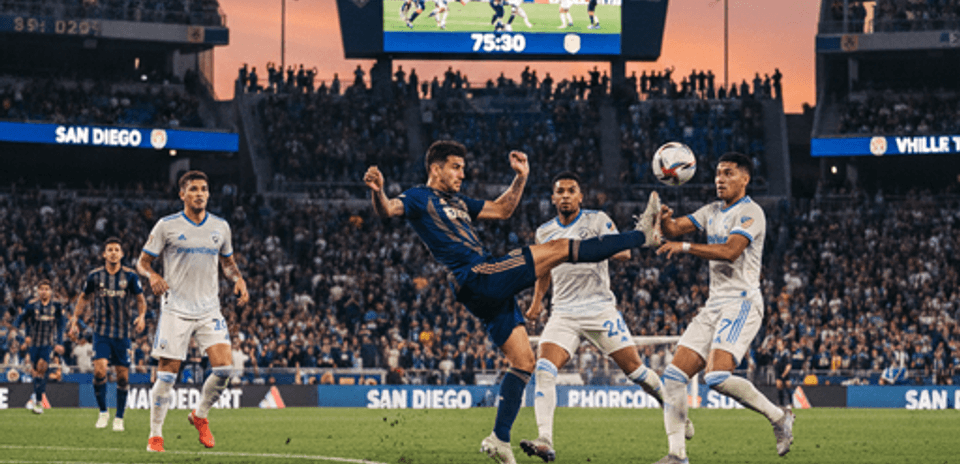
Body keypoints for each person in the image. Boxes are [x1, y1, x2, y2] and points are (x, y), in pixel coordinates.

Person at [364, 140, 662, 464]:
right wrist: (378, 192)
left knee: (524, 362)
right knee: (561, 247)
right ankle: (642, 235)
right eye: (456, 167)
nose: (462, 174)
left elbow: (502, 210)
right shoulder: (418, 197)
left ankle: (499, 439)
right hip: (478, 274)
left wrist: (520, 177)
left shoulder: (458, 201)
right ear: (436, 168)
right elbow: (388, 209)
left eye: (463, 168)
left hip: (481, 288)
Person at [519, 172, 692, 462]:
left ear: (580, 196)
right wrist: (537, 303)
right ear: (553, 198)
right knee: (544, 369)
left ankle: (673, 409)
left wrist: (588, 248)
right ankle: (545, 440)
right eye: (560, 191)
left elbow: (623, 253)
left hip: (599, 309)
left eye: (571, 190)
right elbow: (543, 270)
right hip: (563, 313)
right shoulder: (544, 232)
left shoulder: (597, 219)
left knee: (637, 372)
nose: (565, 196)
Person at [653, 152, 794, 464]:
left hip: (742, 302)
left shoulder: (751, 212)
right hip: (714, 304)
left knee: (715, 377)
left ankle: (778, 416)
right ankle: (677, 455)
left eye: (728, 173)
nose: (720, 179)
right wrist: (663, 218)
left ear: (745, 179)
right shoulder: (711, 211)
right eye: (718, 173)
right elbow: (674, 229)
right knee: (673, 377)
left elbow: (731, 251)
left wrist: (685, 247)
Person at [138, 170, 249, 453]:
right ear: (182, 194)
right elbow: (142, 262)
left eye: (204, 189)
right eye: (194, 189)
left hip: (209, 308)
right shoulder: (167, 226)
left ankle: (200, 415)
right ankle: (155, 436)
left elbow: (228, 263)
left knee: (224, 369)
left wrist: (238, 279)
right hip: (175, 308)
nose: (200, 194)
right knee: (167, 375)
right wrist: (152, 275)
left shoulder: (220, 227)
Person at [69, 237, 147, 431]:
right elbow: (83, 297)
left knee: (122, 378)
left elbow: (140, 299)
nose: (113, 253)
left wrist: (142, 316)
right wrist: (74, 319)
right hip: (101, 332)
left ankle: (119, 417)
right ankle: (103, 412)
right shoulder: (94, 276)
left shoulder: (130, 276)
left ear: (122, 254)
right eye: (110, 250)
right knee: (99, 371)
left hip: (122, 333)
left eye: (116, 250)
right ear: (104, 254)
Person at [12, 279, 67, 415]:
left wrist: (59, 342)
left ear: (51, 291)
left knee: (42, 368)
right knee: (37, 374)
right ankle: (37, 399)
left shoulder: (56, 306)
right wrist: (22, 337)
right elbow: (19, 320)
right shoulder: (32, 305)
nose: (44, 291)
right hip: (34, 344)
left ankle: (38, 403)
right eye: (41, 289)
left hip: (47, 343)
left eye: (46, 289)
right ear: (38, 291)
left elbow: (61, 324)